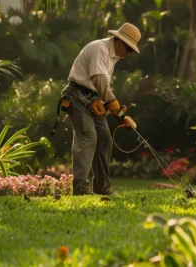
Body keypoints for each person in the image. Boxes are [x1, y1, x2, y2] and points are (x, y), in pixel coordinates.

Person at [62, 23, 141, 195]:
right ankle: (81, 189)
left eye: (131, 52)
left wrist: (120, 116)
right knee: (88, 137)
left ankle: (102, 188)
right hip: (76, 95)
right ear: (119, 41)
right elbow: (99, 81)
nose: (128, 54)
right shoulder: (100, 49)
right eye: (128, 49)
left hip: (94, 99)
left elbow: (102, 88)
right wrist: (113, 104)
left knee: (104, 138)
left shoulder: (113, 56)